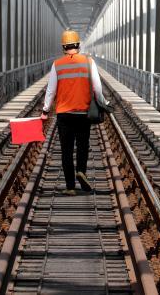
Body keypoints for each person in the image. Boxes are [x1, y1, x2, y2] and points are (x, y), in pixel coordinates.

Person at [41, 30, 108, 196]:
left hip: (64, 114)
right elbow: (97, 88)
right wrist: (102, 103)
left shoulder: (57, 64)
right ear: (78, 45)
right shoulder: (88, 62)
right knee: (83, 145)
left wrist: (45, 110)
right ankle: (81, 171)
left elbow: (50, 90)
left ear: (64, 46)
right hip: (83, 112)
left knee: (66, 150)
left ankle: (70, 186)